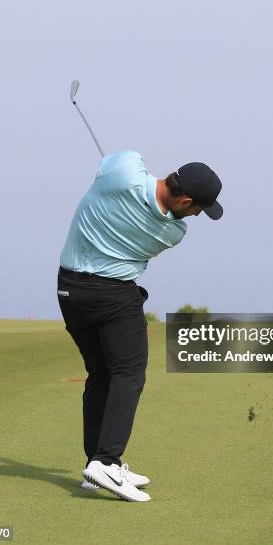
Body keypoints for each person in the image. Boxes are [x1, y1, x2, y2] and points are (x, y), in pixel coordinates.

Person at [57, 150, 223, 502]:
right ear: (186, 201)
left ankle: (95, 466)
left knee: (101, 373)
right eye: (197, 210)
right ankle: (106, 461)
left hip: (69, 292)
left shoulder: (125, 169)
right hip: (113, 298)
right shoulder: (173, 232)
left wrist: (118, 183)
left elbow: (111, 166)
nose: (194, 217)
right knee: (129, 374)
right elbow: (160, 212)